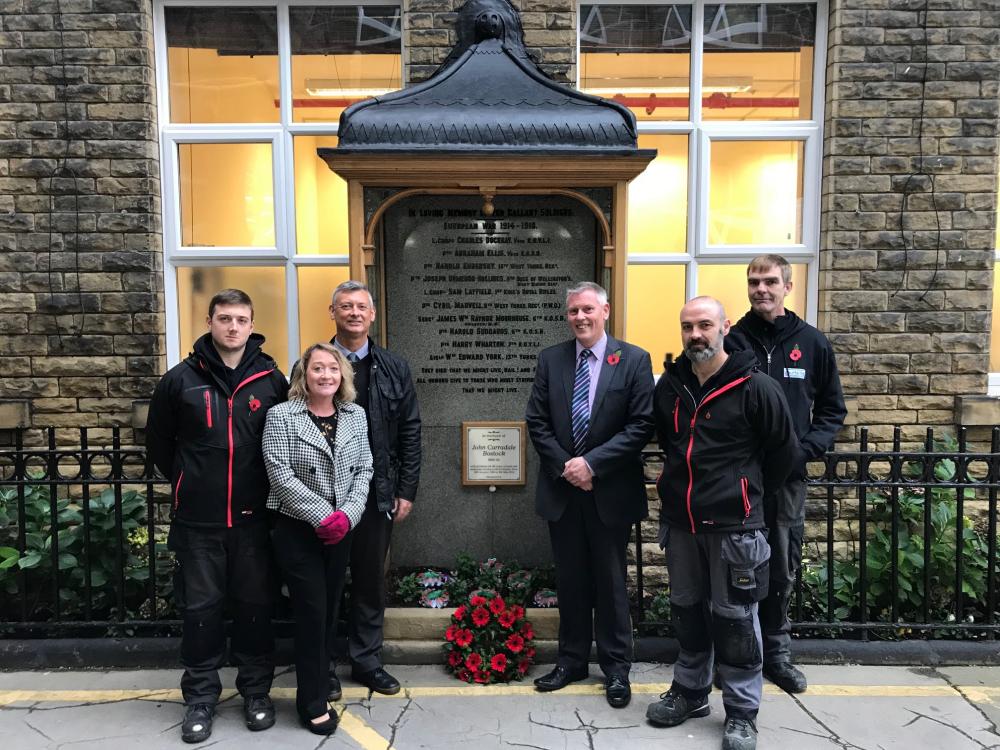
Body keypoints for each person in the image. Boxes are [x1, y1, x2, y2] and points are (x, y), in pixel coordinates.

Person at [645, 297, 802, 750]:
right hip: (682, 524)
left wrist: (746, 493)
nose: (696, 335)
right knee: (687, 612)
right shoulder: (672, 387)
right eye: (688, 327)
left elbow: (783, 454)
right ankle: (691, 692)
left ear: (724, 327)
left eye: (705, 325)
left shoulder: (756, 387)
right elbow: (668, 443)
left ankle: (741, 712)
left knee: (735, 620)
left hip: (735, 527)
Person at [146, 288, 288, 744]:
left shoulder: (271, 380)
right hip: (199, 524)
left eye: (241, 319)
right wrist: (193, 482)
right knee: (200, 612)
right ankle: (201, 699)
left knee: (255, 608)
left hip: (254, 521)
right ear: (209, 321)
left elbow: (283, 442)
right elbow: (160, 446)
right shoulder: (179, 381)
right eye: (224, 318)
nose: (232, 326)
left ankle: (255, 692)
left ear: (252, 325)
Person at [525, 281, 654, 709]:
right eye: (573, 312)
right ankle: (572, 661)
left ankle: (616, 669)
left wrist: (593, 464)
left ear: (605, 310)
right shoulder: (552, 359)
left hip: (609, 490)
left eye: (587, 310)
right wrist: (569, 466)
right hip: (564, 489)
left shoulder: (633, 359)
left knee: (611, 582)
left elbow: (640, 425)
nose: (580, 318)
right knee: (572, 581)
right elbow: (537, 421)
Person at [726, 255, 846, 694]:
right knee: (737, 567)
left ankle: (776, 653)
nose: (761, 288)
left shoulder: (812, 343)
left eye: (770, 281)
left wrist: (804, 451)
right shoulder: (731, 340)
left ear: (787, 287)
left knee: (781, 565)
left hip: (788, 481)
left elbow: (832, 410)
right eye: (754, 281)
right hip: (739, 480)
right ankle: (739, 653)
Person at [262, 343, 373, 735]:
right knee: (311, 612)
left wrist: (346, 515)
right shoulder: (281, 416)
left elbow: (365, 468)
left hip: (341, 528)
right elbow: (280, 473)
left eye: (333, 368)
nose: (325, 375)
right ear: (303, 375)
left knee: (329, 611)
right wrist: (322, 515)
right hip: (298, 529)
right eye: (317, 369)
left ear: (343, 375)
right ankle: (311, 701)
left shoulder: (355, 416)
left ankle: (322, 677)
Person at [326, 280, 421, 699]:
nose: (353, 313)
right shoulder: (315, 362)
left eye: (361, 307)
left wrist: (406, 489)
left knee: (369, 581)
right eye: (345, 306)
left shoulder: (394, 366)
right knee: (324, 582)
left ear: (373, 314)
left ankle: (367, 661)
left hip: (375, 492)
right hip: (324, 495)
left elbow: (410, 432)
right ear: (333, 312)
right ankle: (322, 664)